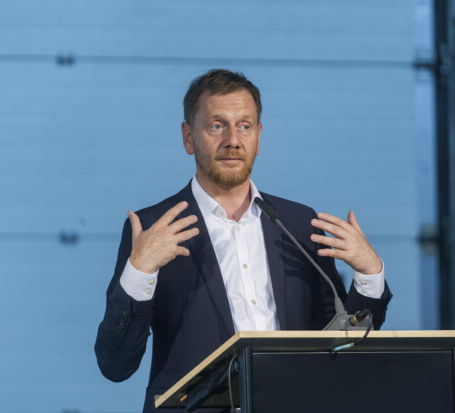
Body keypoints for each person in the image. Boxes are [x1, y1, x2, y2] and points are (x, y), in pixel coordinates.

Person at [94, 69, 392, 412]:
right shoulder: (155, 229)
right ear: (189, 138)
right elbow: (115, 365)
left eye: (244, 126)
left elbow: (340, 346)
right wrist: (139, 272)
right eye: (216, 126)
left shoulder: (297, 224)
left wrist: (369, 275)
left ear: (258, 137)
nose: (233, 140)